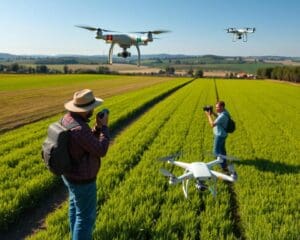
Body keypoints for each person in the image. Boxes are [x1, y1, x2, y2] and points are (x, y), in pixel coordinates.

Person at [61, 89, 110, 240]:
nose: (93, 110)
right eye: (92, 108)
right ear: (85, 110)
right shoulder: (80, 129)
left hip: (69, 175)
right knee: (85, 218)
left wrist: (96, 128)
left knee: (75, 209)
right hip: (83, 180)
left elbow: (85, 142)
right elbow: (101, 150)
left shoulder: (68, 119)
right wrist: (105, 128)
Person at [205, 100, 230, 171]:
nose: (216, 109)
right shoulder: (224, 111)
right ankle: (224, 163)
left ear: (222, 107)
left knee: (215, 151)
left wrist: (208, 115)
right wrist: (212, 112)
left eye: (218, 107)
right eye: (215, 107)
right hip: (223, 134)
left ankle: (223, 166)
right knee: (222, 150)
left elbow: (212, 124)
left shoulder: (222, 115)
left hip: (220, 135)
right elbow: (218, 118)